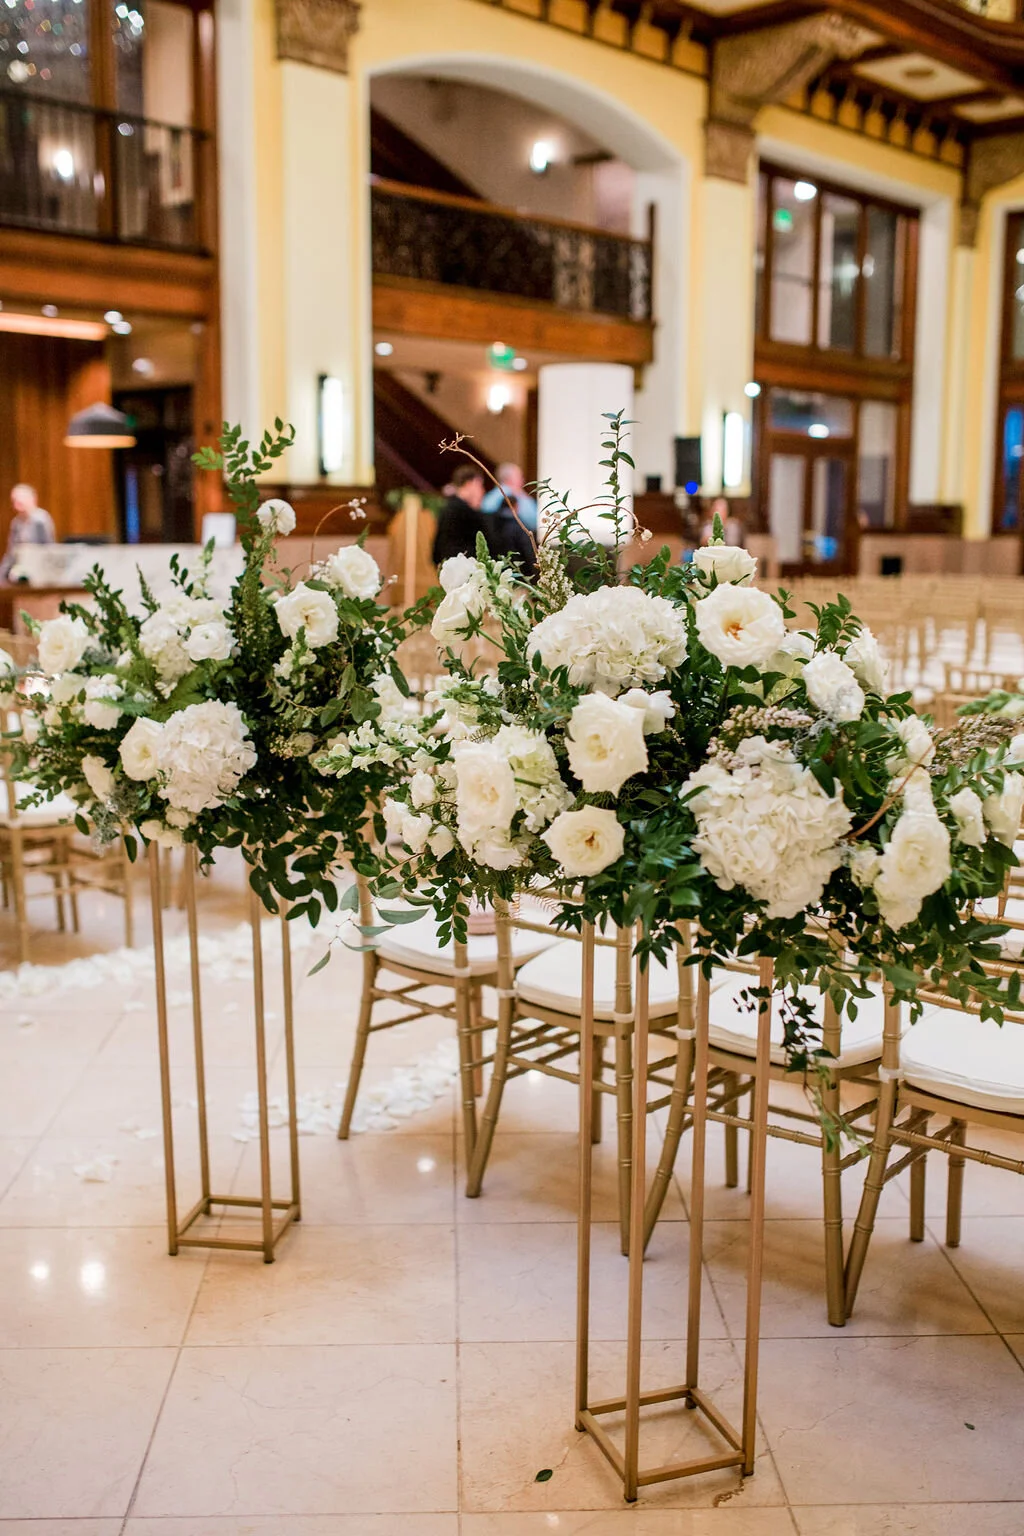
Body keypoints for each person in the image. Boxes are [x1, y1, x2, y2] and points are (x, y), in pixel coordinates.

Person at [432, 465, 492, 568]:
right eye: (479, 486)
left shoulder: (450, 506)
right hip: (462, 568)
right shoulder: (462, 511)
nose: (482, 491)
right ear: (470, 484)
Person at [1, 484, 56, 582]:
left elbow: (48, 547)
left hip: (38, 566)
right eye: (14, 501)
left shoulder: (41, 519)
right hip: (20, 565)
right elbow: (11, 551)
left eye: (19, 500)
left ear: (32, 499)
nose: (16, 505)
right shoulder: (16, 522)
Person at [482, 462, 539, 533]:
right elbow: (534, 522)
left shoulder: (491, 496)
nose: (523, 481)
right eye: (520, 477)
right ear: (508, 479)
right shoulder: (518, 495)